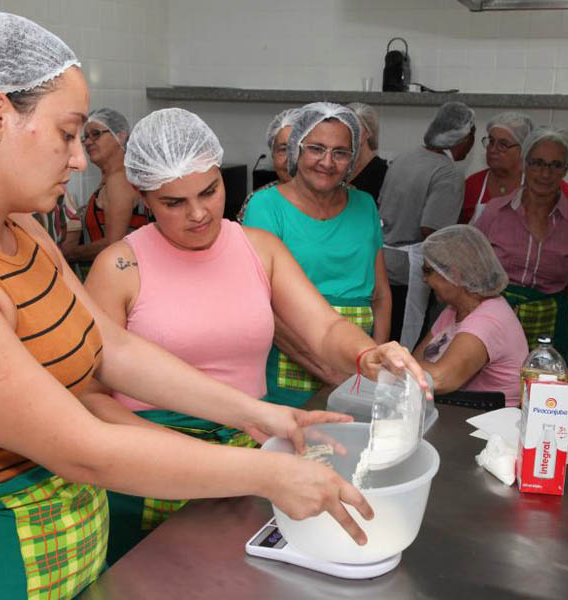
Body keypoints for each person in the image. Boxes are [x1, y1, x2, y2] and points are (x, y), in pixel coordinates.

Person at [0, 13, 387, 598]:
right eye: (68, 133)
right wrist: (271, 473)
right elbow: (84, 448)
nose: (80, 159)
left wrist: (263, 416)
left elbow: (110, 347)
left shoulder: (22, 228)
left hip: (60, 555)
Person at [85, 107, 427, 563]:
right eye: (173, 203)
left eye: (210, 191)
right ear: (142, 194)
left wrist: (367, 354)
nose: (199, 214)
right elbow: (91, 395)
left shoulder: (258, 249)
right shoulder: (119, 267)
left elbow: (324, 327)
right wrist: (176, 451)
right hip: (150, 459)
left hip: (249, 452)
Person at [243, 102, 392, 409]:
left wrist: (374, 358)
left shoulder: (364, 205)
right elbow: (261, 305)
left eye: (340, 152)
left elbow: (380, 295)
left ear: (352, 158)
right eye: (316, 148)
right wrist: (328, 372)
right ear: (297, 149)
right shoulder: (266, 206)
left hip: (356, 360)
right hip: (289, 361)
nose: (327, 162)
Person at [474, 126, 568, 361]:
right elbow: (473, 263)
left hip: (549, 321)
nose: (545, 174)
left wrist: (541, 300)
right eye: (537, 163)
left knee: (542, 382)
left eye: (555, 165)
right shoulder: (495, 211)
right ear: (525, 163)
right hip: (495, 315)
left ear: (566, 170)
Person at [378, 101, 476, 349]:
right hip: (411, 271)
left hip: (383, 262)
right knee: (406, 342)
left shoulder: (404, 157)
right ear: (465, 137)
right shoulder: (448, 173)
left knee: (385, 334)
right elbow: (432, 231)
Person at [411, 226, 528, 406]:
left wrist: (389, 360)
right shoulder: (454, 310)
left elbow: (440, 379)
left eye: (428, 271)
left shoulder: (487, 321)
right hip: (457, 412)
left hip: (483, 420)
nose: (424, 278)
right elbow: (416, 360)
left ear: (454, 275)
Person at [460, 112, 568, 224]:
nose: (493, 149)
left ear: (524, 149)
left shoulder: (543, 183)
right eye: (491, 141)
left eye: (503, 144)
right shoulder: (473, 184)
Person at [61, 107, 147, 278]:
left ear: (120, 136)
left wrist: (68, 254)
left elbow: (113, 243)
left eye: (96, 134)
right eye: (85, 137)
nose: (87, 142)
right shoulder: (112, 181)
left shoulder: (119, 181)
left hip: (118, 280)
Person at [236, 107, 300, 222]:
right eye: (283, 149)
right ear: (273, 154)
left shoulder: (332, 198)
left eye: (297, 149)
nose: (290, 159)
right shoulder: (258, 201)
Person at [346, 102, 388, 204]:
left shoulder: (382, 173)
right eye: (346, 127)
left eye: (355, 128)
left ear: (368, 133)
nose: (348, 133)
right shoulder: (340, 165)